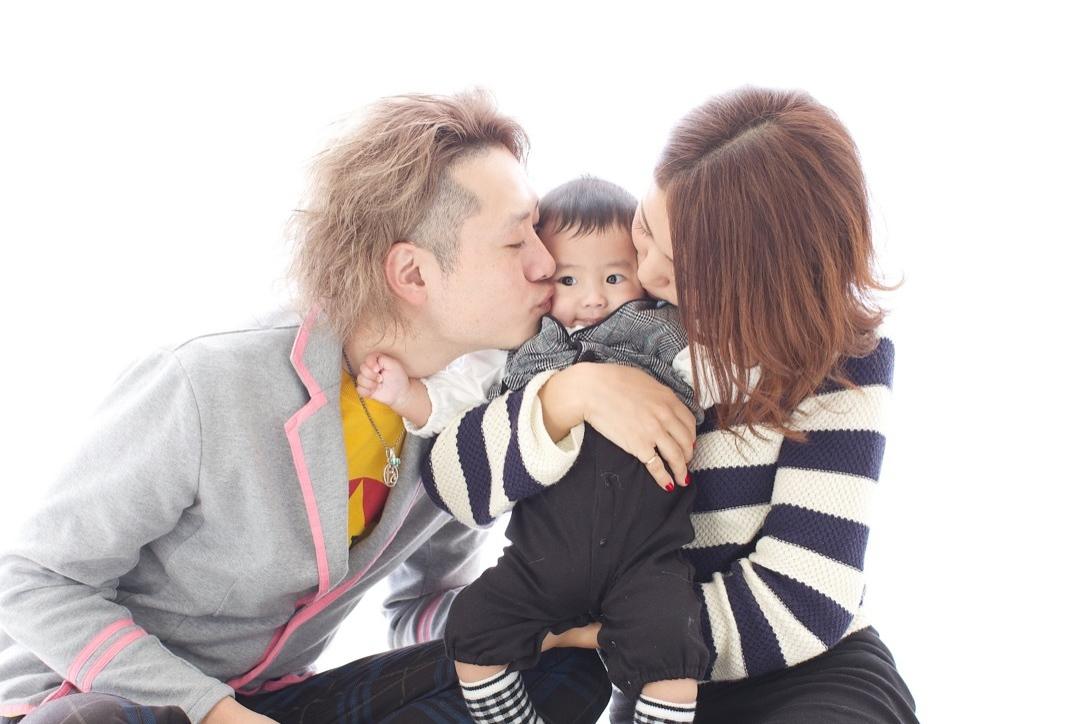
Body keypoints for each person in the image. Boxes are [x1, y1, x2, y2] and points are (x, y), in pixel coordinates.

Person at [0, 91, 611, 724]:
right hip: (101, 697)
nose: (548, 262)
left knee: (555, 664)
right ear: (412, 274)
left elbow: (418, 608)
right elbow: (35, 580)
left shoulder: (468, 420)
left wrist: (536, 623)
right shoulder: (209, 381)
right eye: (516, 241)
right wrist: (215, 713)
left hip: (274, 701)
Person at [424, 87, 918, 723]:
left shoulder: (840, 361)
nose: (648, 272)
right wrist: (572, 394)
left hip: (804, 671)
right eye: (646, 230)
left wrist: (606, 636)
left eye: (681, 263)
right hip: (654, 677)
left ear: (756, 274)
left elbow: (805, 597)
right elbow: (455, 486)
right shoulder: (589, 327)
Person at [357, 177, 717, 724]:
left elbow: (723, 370)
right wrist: (407, 394)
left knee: (674, 648)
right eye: (569, 279)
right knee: (473, 630)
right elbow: (459, 411)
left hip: (645, 562)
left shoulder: (660, 331)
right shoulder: (526, 347)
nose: (593, 297)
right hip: (541, 563)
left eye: (614, 277)